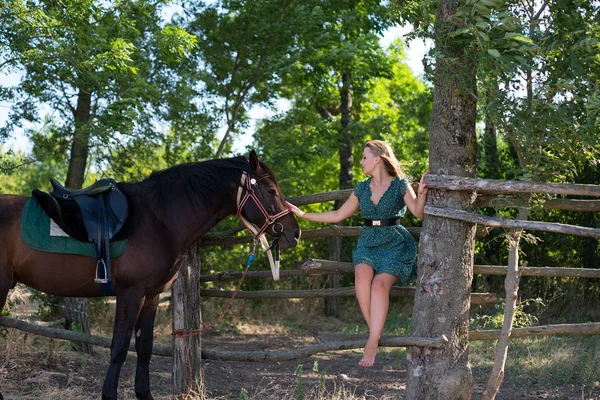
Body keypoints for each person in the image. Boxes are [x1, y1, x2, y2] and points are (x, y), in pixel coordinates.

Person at [287, 140, 429, 367]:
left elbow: (418, 213)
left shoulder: (401, 184)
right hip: (368, 240)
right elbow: (338, 215)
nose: (361, 161)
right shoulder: (362, 187)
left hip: (394, 242)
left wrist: (421, 194)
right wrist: (304, 215)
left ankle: (371, 342)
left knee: (379, 286)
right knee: (362, 275)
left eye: (364, 157)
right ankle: (375, 333)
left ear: (378, 159)